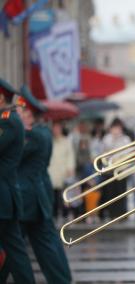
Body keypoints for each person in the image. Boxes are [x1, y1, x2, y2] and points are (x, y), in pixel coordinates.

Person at [12, 86, 72, 283]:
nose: (14, 116)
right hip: (35, 200)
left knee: (16, 245)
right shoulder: (40, 133)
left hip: (29, 200)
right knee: (42, 245)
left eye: (18, 112)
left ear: (28, 113)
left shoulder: (35, 135)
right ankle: (62, 279)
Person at [0, 78, 35, 283]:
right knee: (14, 250)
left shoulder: (7, 121)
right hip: (5, 198)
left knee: (14, 251)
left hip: (3, 197)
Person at [100, 118, 131, 219]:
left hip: (121, 170)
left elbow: (128, 154)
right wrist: (113, 139)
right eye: (114, 127)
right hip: (109, 170)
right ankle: (112, 214)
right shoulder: (107, 138)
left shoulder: (126, 139)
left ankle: (122, 214)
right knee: (111, 193)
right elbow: (104, 154)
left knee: (122, 192)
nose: (116, 130)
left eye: (118, 127)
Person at [49, 121, 76, 220]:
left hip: (63, 171)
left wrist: (70, 168)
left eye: (57, 128)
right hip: (52, 171)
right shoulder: (50, 141)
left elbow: (70, 156)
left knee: (64, 195)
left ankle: (65, 214)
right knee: (53, 195)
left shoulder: (66, 141)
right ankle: (54, 214)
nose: (56, 130)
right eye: (54, 128)